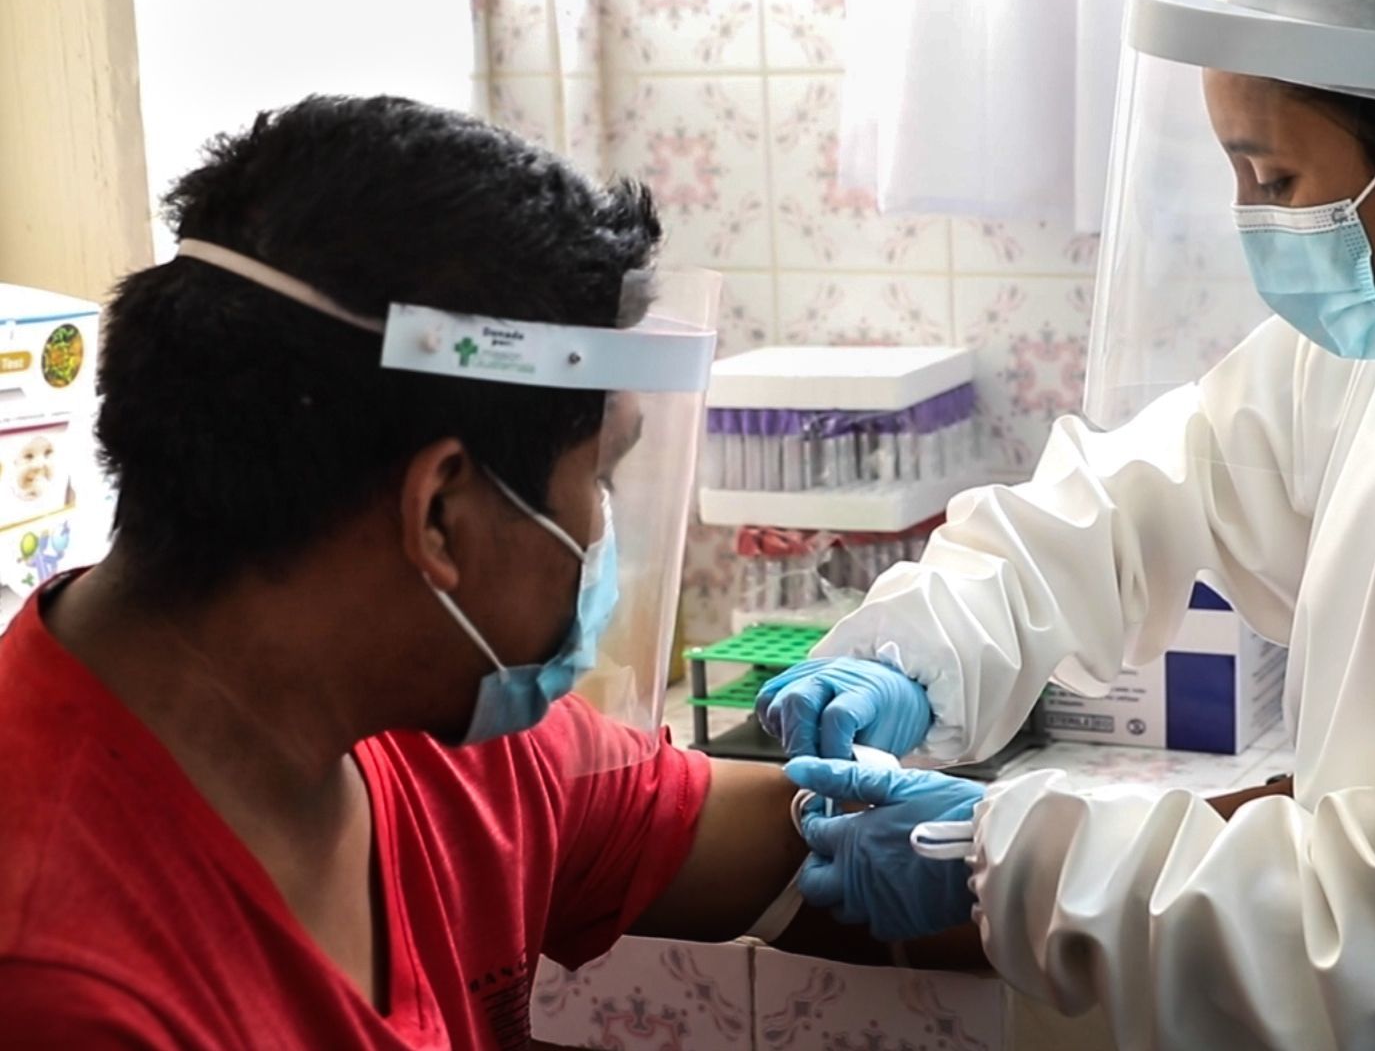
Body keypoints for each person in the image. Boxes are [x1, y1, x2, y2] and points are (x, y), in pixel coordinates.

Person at [759, 0, 1375, 1046]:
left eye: (1273, 182)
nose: (1251, 224)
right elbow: (1146, 489)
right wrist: (919, 647)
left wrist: (1007, 854)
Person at [0, 95, 915, 1049]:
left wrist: (1023, 864)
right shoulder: (63, 982)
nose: (602, 528)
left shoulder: (423, 721)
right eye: (597, 476)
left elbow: (792, 850)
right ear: (440, 515)